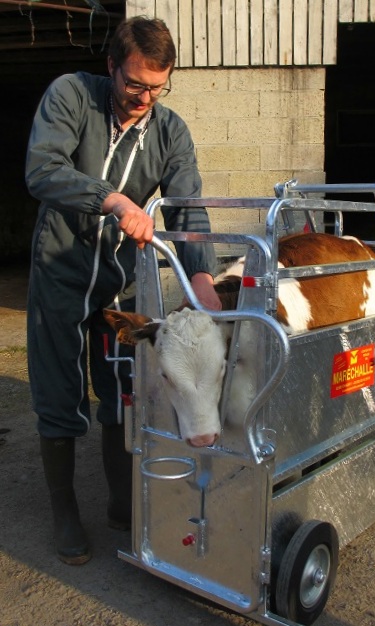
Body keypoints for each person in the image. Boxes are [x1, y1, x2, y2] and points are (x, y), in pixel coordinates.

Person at [25, 16, 222, 565]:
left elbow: (186, 206)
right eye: (135, 83)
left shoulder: (170, 130)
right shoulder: (71, 95)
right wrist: (112, 200)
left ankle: (121, 499)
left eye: (158, 87)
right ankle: (65, 510)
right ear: (111, 66)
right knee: (59, 389)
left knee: (121, 387)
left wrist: (200, 276)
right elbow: (43, 168)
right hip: (61, 270)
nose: (145, 98)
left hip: (120, 279)